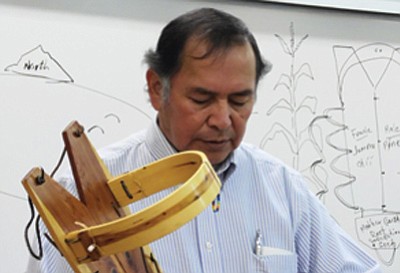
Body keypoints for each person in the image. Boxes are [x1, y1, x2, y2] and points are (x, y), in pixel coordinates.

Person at [28, 7, 382, 273]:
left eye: (240, 100)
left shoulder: (283, 189)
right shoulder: (77, 201)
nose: (223, 120)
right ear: (156, 88)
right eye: (201, 99)